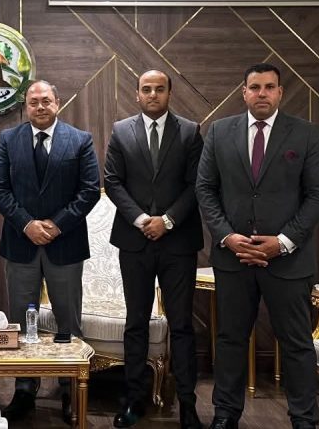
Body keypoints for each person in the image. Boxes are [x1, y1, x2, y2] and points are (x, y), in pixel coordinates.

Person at [196, 63, 319, 429]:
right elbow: (205, 189)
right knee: (230, 340)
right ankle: (225, 415)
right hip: (234, 257)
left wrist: (283, 242)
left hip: (288, 260)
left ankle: (304, 419)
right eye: (254, 87)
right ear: (244, 92)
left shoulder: (305, 134)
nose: (262, 93)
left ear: (280, 92)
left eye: (269, 87)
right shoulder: (220, 132)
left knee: (296, 343)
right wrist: (227, 236)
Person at [0, 80, 100, 423]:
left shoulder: (79, 140)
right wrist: (27, 224)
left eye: (46, 100)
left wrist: (55, 224)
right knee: (22, 322)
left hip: (64, 244)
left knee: (68, 322)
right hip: (21, 244)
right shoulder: (8, 139)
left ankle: (70, 391)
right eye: (33, 101)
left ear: (58, 102)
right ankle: (25, 389)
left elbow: (89, 190)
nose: (40, 106)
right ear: (26, 106)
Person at [104, 70, 204, 428]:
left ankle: (188, 405)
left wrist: (168, 220)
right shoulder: (121, 131)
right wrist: (142, 219)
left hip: (178, 242)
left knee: (182, 325)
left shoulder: (190, 132)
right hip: (135, 241)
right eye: (146, 89)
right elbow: (112, 182)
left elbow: (197, 184)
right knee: (136, 323)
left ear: (169, 93)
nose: (152, 94)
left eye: (159, 89)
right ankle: (134, 400)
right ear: (137, 94)